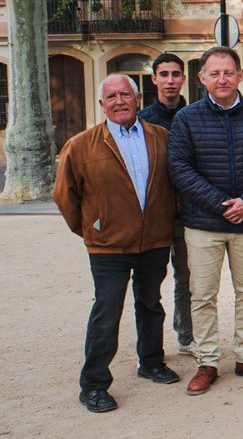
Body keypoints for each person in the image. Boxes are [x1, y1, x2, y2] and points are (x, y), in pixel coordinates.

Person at [54, 74, 180, 412]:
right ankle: (94, 385)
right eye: (111, 96)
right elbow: (64, 195)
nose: (119, 101)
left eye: (125, 94)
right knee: (107, 311)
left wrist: (167, 219)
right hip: (108, 246)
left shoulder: (161, 137)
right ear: (102, 104)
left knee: (151, 303)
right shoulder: (81, 145)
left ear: (138, 99)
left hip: (154, 240)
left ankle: (151, 362)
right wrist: (92, 229)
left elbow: (176, 183)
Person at [168, 46, 243, 394]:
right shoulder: (186, 118)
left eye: (228, 72)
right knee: (203, 295)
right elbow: (179, 168)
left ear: (240, 76)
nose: (222, 79)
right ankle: (207, 361)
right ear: (202, 77)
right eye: (214, 73)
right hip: (203, 224)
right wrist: (221, 204)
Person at [138, 52, 193, 356]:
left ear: (183, 78)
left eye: (175, 74)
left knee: (187, 279)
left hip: (188, 213)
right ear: (154, 79)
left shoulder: (196, 115)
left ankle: (186, 336)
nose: (170, 80)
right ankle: (150, 350)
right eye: (164, 74)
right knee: (149, 283)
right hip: (154, 214)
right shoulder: (142, 121)